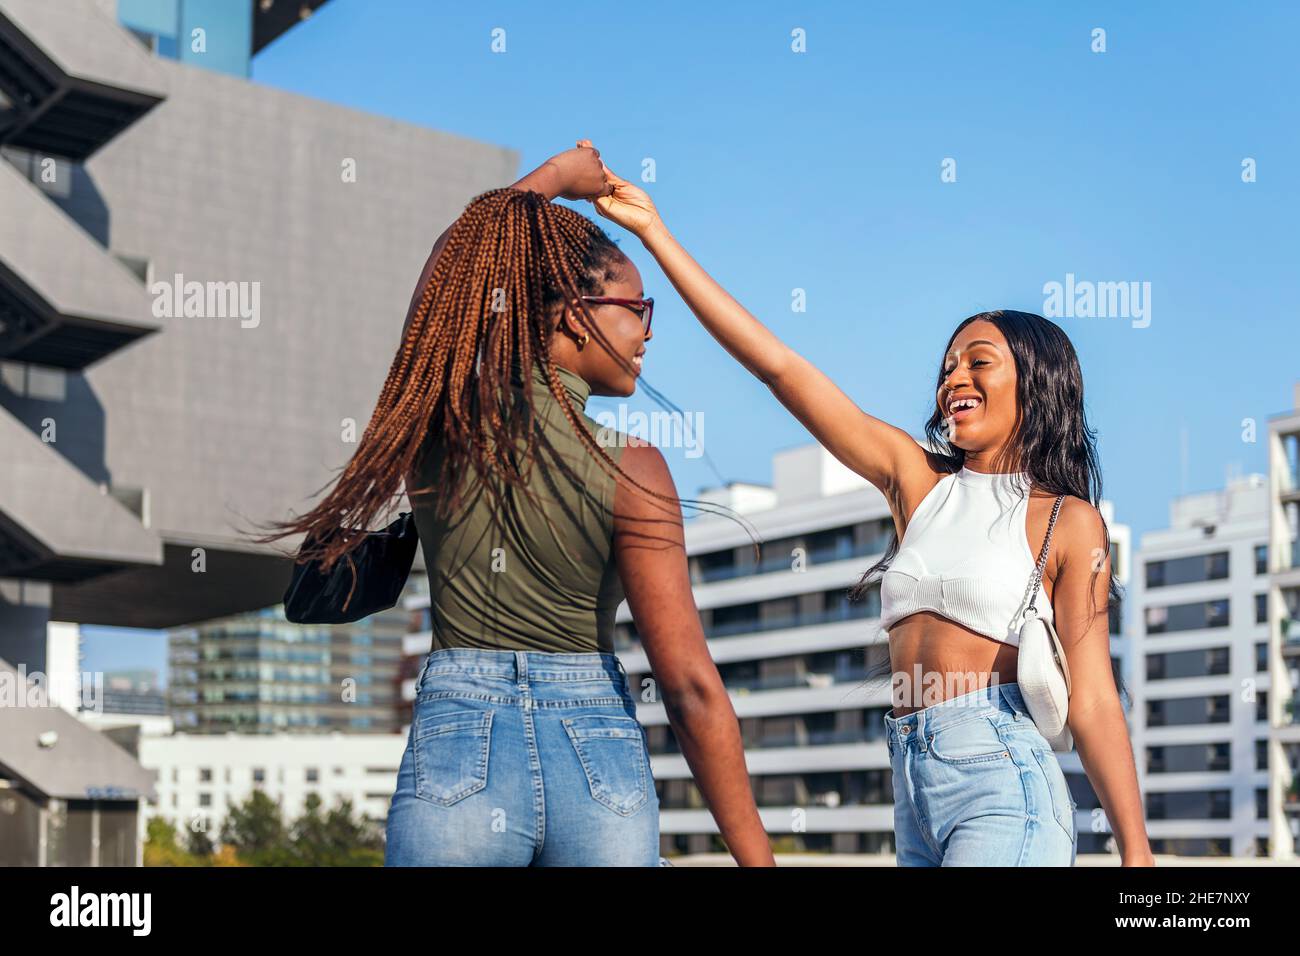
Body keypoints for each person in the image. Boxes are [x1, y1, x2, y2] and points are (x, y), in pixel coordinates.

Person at [584, 156, 1154, 866]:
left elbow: (1094, 695)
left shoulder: (1068, 521)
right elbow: (780, 368)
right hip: (911, 785)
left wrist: (1137, 851)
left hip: (1004, 779)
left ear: (1036, 383)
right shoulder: (917, 481)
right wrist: (657, 234)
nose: (955, 378)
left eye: (979, 362)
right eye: (948, 366)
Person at [252, 145, 774, 866]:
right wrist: (758, 858)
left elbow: (448, 277)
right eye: (636, 308)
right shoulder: (634, 467)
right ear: (572, 317)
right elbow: (688, 687)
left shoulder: (441, 423)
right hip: (598, 760)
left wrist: (553, 178)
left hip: (457, 745)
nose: (649, 329)